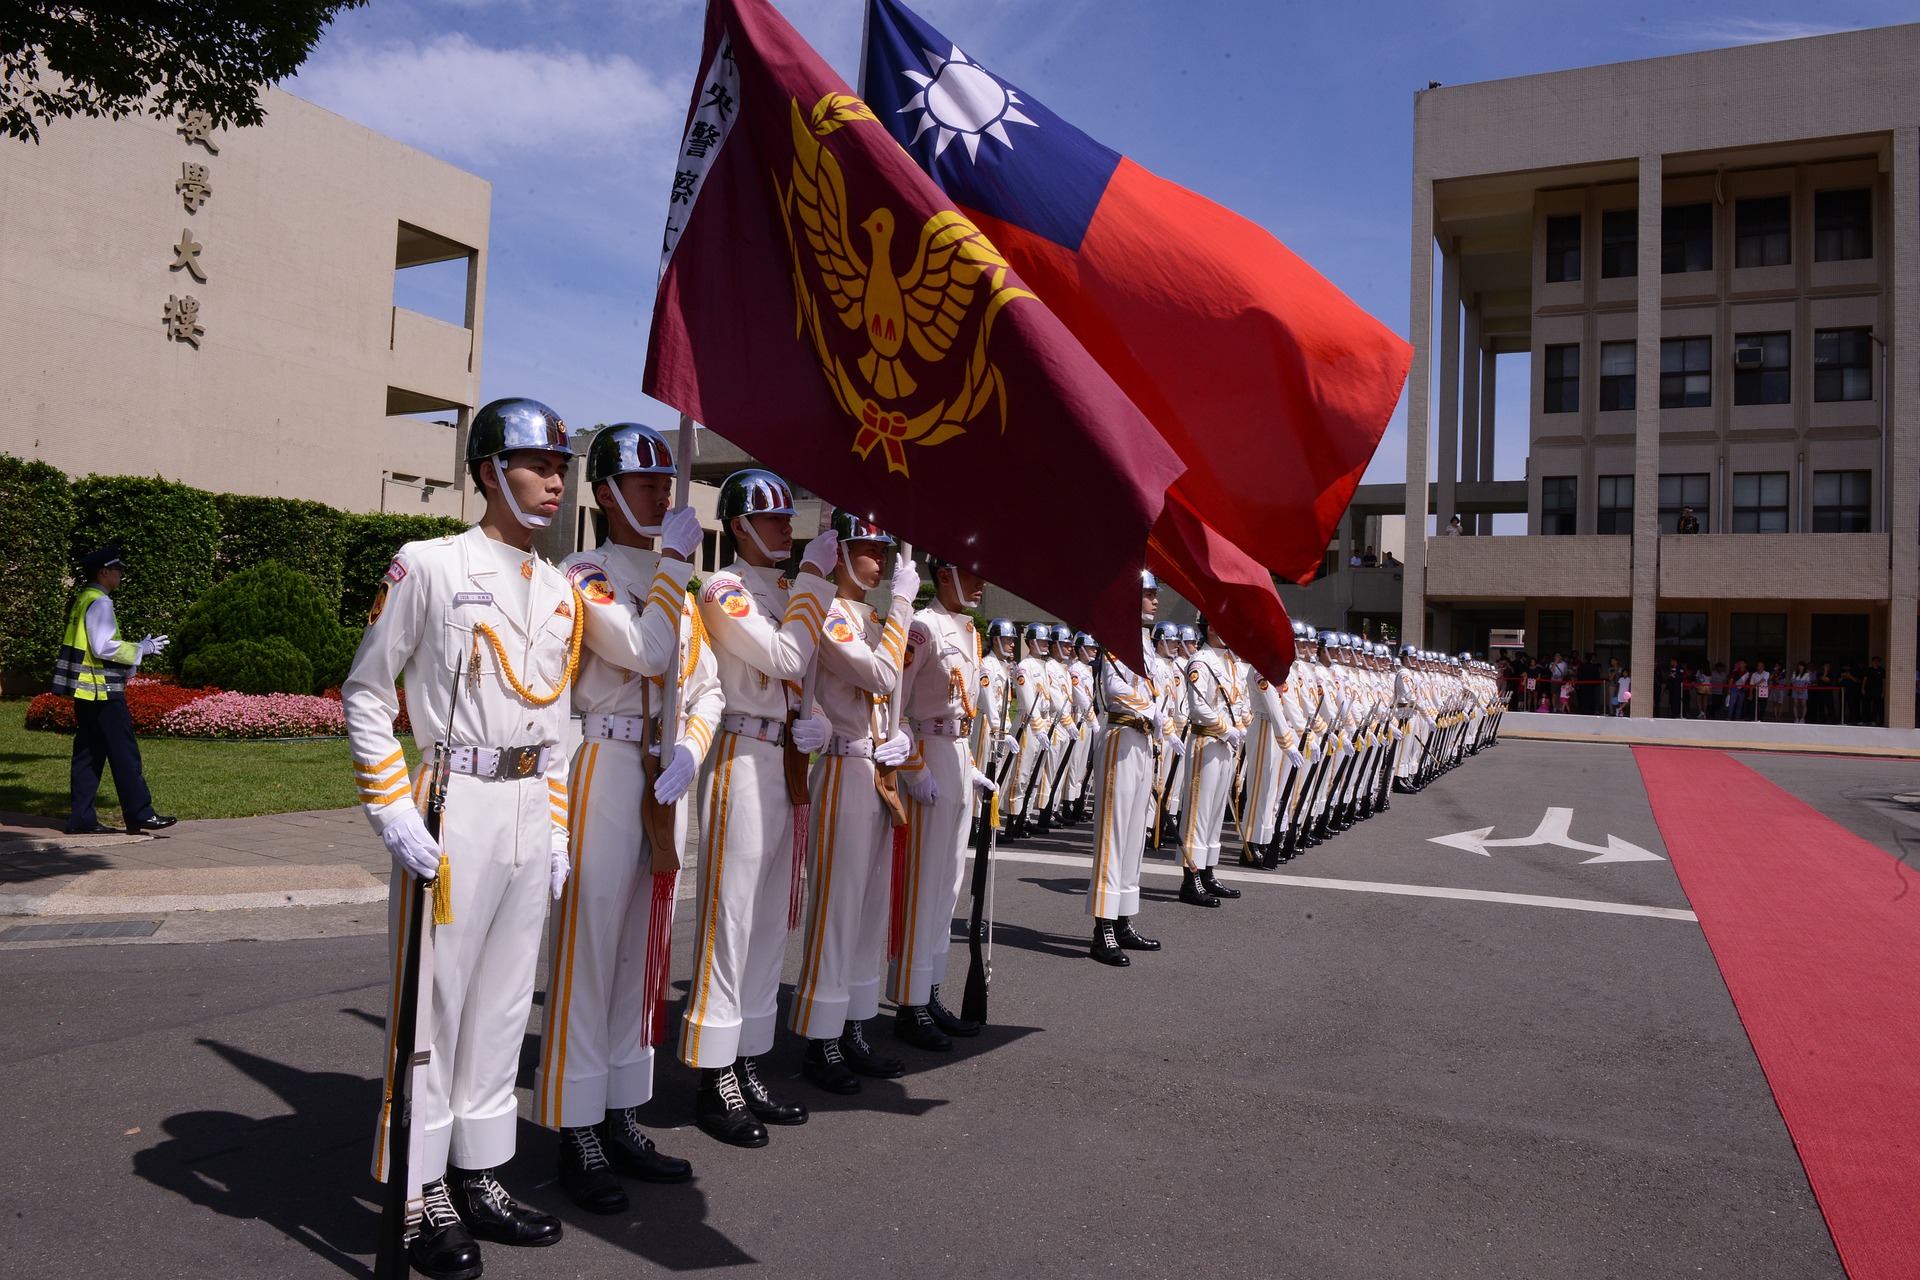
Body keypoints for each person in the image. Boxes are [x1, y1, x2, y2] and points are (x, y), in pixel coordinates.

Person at [346, 397, 578, 1278]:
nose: (555, 481)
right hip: (455, 801)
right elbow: (367, 692)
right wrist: (392, 803)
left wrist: (555, 828)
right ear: (488, 471)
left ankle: (481, 1172)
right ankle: (418, 1193)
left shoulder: (559, 589)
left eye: (561, 467)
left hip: (526, 805)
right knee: (433, 1006)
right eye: (537, 465)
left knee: (504, 1000)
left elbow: (557, 723)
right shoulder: (429, 566)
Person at [536, 423, 715, 1214]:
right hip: (604, 767)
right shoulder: (586, 571)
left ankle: (618, 1108)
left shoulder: (685, 579)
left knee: (643, 951)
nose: (662, 496)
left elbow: (704, 685)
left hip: (662, 773)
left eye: (666, 483)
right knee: (590, 945)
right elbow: (643, 651)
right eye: (645, 484)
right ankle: (574, 1124)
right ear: (606, 493)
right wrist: (676, 565)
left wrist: (695, 750)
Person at [681, 469, 837, 1147]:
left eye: (788, 521)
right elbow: (782, 652)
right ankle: (715, 1075)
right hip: (739, 759)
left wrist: (821, 723)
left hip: (785, 761)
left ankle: (748, 1058)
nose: (786, 531)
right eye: (772, 521)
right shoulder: (724, 589)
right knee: (733, 919)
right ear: (739, 526)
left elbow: (806, 678)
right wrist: (815, 582)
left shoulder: (784, 588)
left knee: (773, 918)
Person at [791, 511, 917, 1091]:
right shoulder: (831, 615)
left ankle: (854, 1024)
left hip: (876, 768)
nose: (881, 560)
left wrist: (904, 734)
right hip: (842, 768)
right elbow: (882, 673)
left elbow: (893, 700)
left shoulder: (867, 616)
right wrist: (905, 609)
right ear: (838, 551)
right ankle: (822, 1036)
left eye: (884, 549)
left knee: (870, 909)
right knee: (839, 907)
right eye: (868, 547)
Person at [890, 553, 995, 1047]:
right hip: (929, 757)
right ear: (945, 574)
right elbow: (894, 704)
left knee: (948, 886)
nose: (981, 583)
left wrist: (970, 766)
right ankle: (910, 1002)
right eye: (971, 572)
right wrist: (914, 769)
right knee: (924, 883)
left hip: (955, 754)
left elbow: (965, 708)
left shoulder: (969, 630)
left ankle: (929, 989)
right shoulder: (922, 628)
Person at [54, 545, 176, 835]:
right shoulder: (101, 602)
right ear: (104, 572)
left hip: (86, 693)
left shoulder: (83, 599)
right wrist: (141, 649)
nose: (120, 574)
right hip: (103, 693)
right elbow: (103, 646)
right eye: (117, 569)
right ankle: (139, 814)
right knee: (125, 754)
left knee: (88, 755)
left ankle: (81, 818)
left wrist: (132, 657)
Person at [1084, 570, 1164, 965]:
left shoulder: (1145, 643)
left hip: (1142, 738)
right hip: (1120, 735)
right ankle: (1103, 930)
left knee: (1135, 834)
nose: (1156, 600)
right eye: (1149, 594)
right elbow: (1116, 690)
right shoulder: (1118, 636)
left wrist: (1158, 716)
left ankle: (1124, 918)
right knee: (1113, 835)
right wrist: (1151, 709)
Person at [1177, 619, 1243, 907]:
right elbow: (1197, 706)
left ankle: (1208, 873)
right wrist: (1226, 728)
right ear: (1213, 628)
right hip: (1206, 741)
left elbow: (1238, 701)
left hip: (1226, 744)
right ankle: (1191, 879)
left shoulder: (1229, 661)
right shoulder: (1200, 662)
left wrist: (1239, 726)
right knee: (1198, 813)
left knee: (1216, 813)